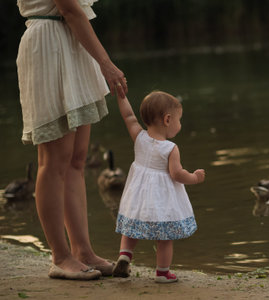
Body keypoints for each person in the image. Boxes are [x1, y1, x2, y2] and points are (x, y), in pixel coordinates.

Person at [16, 0, 128, 280]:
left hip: (72, 46)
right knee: (54, 162)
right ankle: (60, 256)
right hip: (50, 47)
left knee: (77, 160)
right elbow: (69, 9)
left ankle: (83, 251)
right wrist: (106, 63)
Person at [112, 91, 205, 283]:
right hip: (161, 201)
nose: (180, 124)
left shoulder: (139, 137)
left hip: (137, 197)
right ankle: (162, 273)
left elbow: (128, 116)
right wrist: (194, 177)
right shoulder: (170, 148)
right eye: (179, 120)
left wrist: (121, 95)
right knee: (165, 237)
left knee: (131, 227)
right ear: (168, 119)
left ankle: (124, 256)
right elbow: (176, 174)